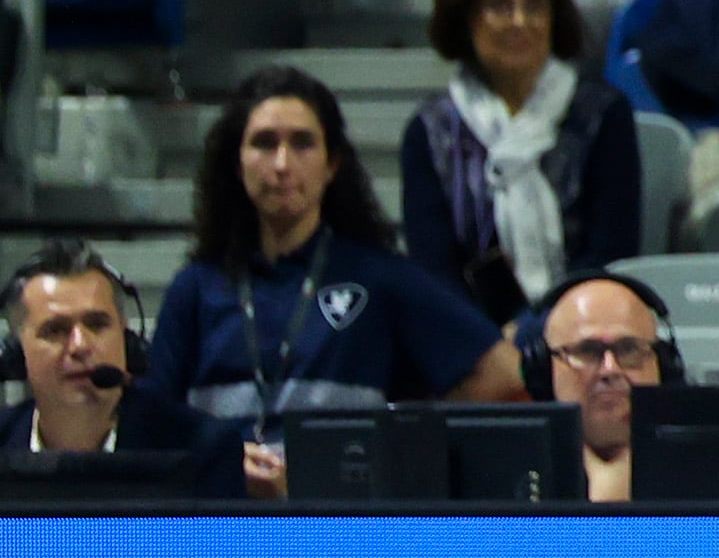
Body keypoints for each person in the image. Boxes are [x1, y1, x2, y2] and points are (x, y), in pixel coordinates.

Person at [146, 68, 520, 494]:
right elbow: (154, 426)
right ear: (237, 162)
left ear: (332, 164)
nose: (282, 164)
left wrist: (409, 446)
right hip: (219, 525)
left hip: (338, 529)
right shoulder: (194, 289)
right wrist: (220, 460)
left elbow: (505, 374)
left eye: (302, 143)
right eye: (264, 144)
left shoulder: (379, 279)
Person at [398, 0, 643, 317]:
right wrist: (490, 347)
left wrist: (543, 331)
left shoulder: (602, 114)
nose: (520, 22)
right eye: (500, 6)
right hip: (469, 339)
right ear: (467, 20)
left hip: (586, 325)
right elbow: (434, 270)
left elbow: (611, 253)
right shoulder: (430, 131)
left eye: (535, 6)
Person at [2, 240, 213, 467]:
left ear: (126, 339)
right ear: (17, 352)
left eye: (97, 324)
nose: (80, 346)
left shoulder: (202, 448)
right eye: (56, 330)